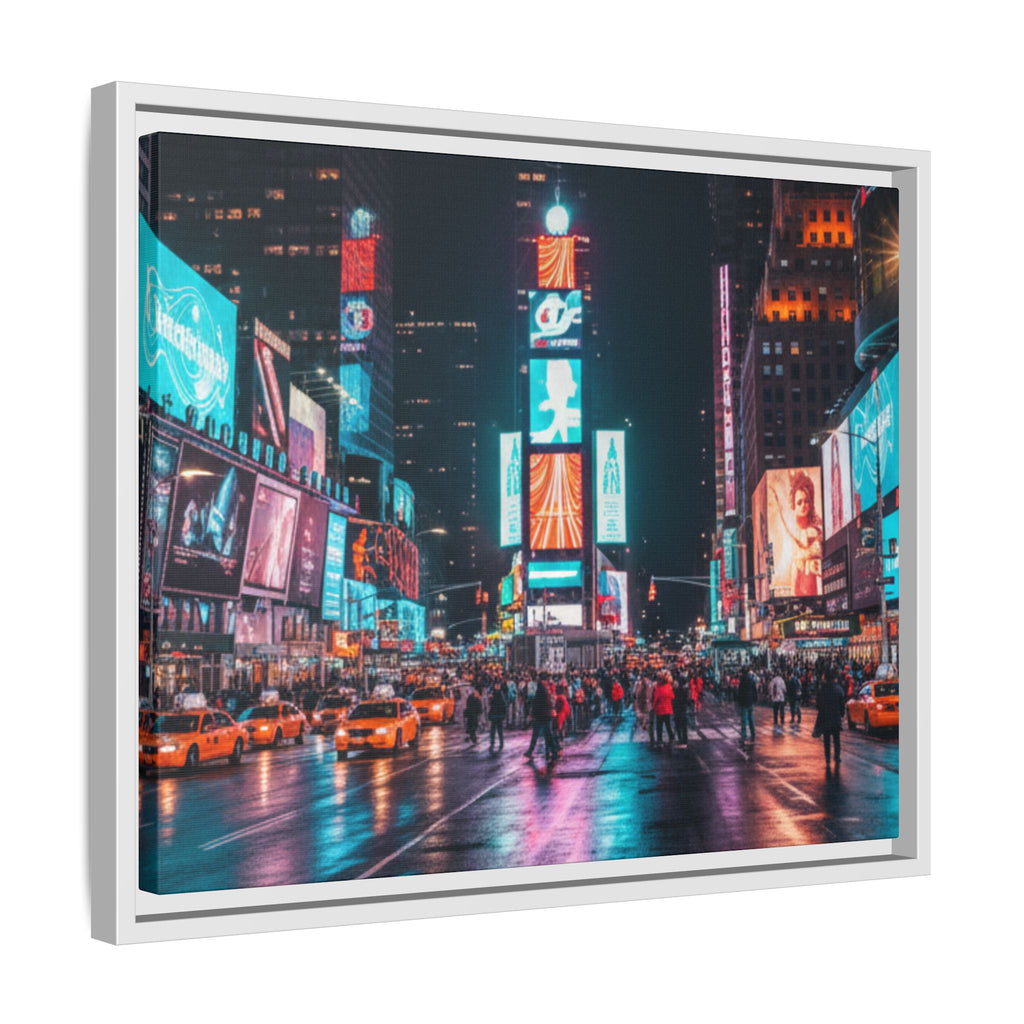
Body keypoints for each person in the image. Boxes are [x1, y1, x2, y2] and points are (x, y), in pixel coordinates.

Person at [814, 672, 846, 771]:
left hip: (826, 717)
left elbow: (818, 704)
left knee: (826, 740)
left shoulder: (822, 689)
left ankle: (827, 757)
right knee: (836, 739)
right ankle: (837, 756)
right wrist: (841, 713)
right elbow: (842, 703)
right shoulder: (838, 689)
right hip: (835, 717)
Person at [525, 680, 556, 761]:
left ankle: (530, 751)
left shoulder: (537, 696)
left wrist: (532, 715)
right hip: (546, 718)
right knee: (548, 736)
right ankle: (553, 751)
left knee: (535, 736)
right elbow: (550, 705)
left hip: (538, 718)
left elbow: (534, 708)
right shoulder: (547, 696)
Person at [651, 672, 676, 751]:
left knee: (659, 726)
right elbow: (672, 696)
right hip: (668, 709)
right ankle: (671, 738)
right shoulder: (669, 687)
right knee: (668, 725)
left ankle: (660, 740)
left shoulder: (658, 689)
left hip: (660, 710)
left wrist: (653, 707)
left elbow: (655, 700)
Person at [737, 666, 757, 744]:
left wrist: (739, 701)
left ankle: (744, 735)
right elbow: (754, 690)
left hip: (744, 702)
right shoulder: (751, 679)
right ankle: (753, 733)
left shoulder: (742, 680)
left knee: (744, 720)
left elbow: (740, 692)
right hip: (750, 701)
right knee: (751, 718)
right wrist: (754, 699)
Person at [488, 681, 507, 752]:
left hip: (497, 715)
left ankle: (496, 743)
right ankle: (498, 743)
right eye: (496, 685)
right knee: (497, 730)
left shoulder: (497, 694)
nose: (497, 686)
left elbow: (503, 705)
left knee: (496, 730)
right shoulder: (496, 693)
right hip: (496, 715)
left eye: (498, 685)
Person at [672, 674, 689, 748]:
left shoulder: (677, 691)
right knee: (683, 726)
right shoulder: (685, 690)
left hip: (678, 710)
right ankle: (684, 739)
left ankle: (681, 739)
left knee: (679, 725)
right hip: (682, 709)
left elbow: (674, 700)